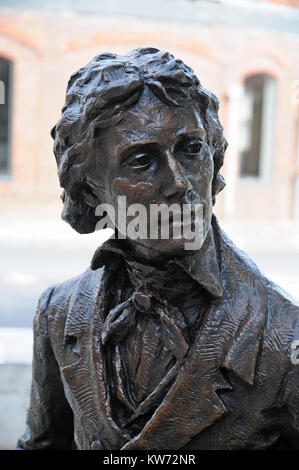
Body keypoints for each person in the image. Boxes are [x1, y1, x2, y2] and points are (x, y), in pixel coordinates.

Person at [17, 47, 299, 450]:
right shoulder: (58, 315)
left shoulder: (285, 338)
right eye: (142, 159)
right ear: (90, 185)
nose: (180, 182)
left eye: (191, 149)